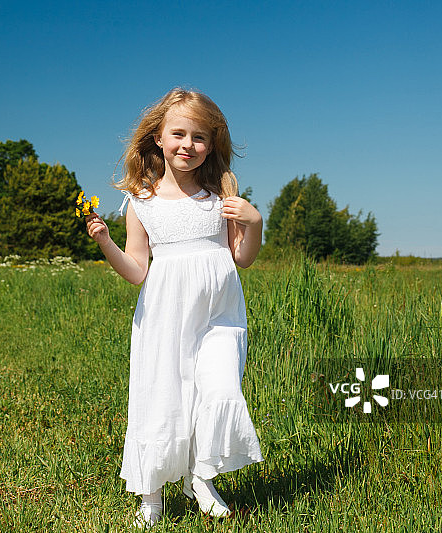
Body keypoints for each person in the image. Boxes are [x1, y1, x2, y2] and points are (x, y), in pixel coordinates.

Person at [85, 88, 264, 529]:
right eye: (179, 134)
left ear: (211, 145)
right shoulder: (141, 202)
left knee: (219, 390)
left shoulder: (219, 195)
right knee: (162, 397)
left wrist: (254, 222)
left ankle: (201, 476)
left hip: (220, 317)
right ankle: (152, 495)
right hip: (164, 317)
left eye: (200, 137)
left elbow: (242, 258)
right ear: (158, 139)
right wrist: (105, 242)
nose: (189, 145)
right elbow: (137, 271)